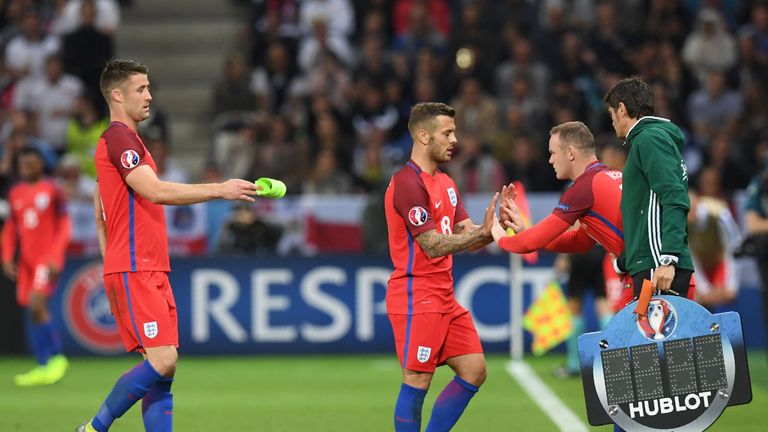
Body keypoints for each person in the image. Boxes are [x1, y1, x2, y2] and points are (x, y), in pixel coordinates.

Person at [76, 59, 259, 432]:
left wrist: (109, 269)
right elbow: (155, 191)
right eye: (140, 89)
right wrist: (220, 189)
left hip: (144, 266)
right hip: (135, 267)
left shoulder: (126, 142)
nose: (149, 95)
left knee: (163, 372)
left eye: (148, 87)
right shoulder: (119, 139)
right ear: (116, 94)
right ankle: (94, 428)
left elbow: (100, 214)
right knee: (163, 360)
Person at [384, 102, 496, 431]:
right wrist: (481, 235)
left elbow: (467, 234)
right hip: (416, 295)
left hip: (444, 296)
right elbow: (432, 244)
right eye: (447, 133)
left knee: (474, 369)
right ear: (422, 136)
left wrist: (494, 231)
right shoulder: (407, 183)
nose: (454, 140)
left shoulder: (445, 182)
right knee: (418, 378)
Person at [489, 121, 628, 378]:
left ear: (571, 153)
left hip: (650, 280)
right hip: (660, 271)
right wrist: (524, 232)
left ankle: (584, 366)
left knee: (638, 387)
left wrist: (499, 237)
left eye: (553, 152)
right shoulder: (611, 176)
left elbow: (531, 244)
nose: (550, 160)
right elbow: (581, 241)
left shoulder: (583, 188)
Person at [604, 77, 695, 297]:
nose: (612, 121)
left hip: (658, 268)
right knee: (651, 331)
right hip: (652, 264)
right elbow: (648, 213)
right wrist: (625, 261)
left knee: (655, 331)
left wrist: (667, 259)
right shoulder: (649, 140)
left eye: (611, 114)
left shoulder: (649, 139)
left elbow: (673, 197)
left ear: (622, 109)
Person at [1, 146, 71, 386]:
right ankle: (44, 364)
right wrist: (7, 255)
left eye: (32, 163)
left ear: (40, 164)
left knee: (36, 304)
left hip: (45, 258)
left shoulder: (52, 190)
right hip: (27, 261)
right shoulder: (16, 193)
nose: (27, 167)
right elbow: (11, 228)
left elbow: (63, 225)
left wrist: (56, 256)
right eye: (23, 164)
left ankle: (57, 358)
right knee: (32, 310)